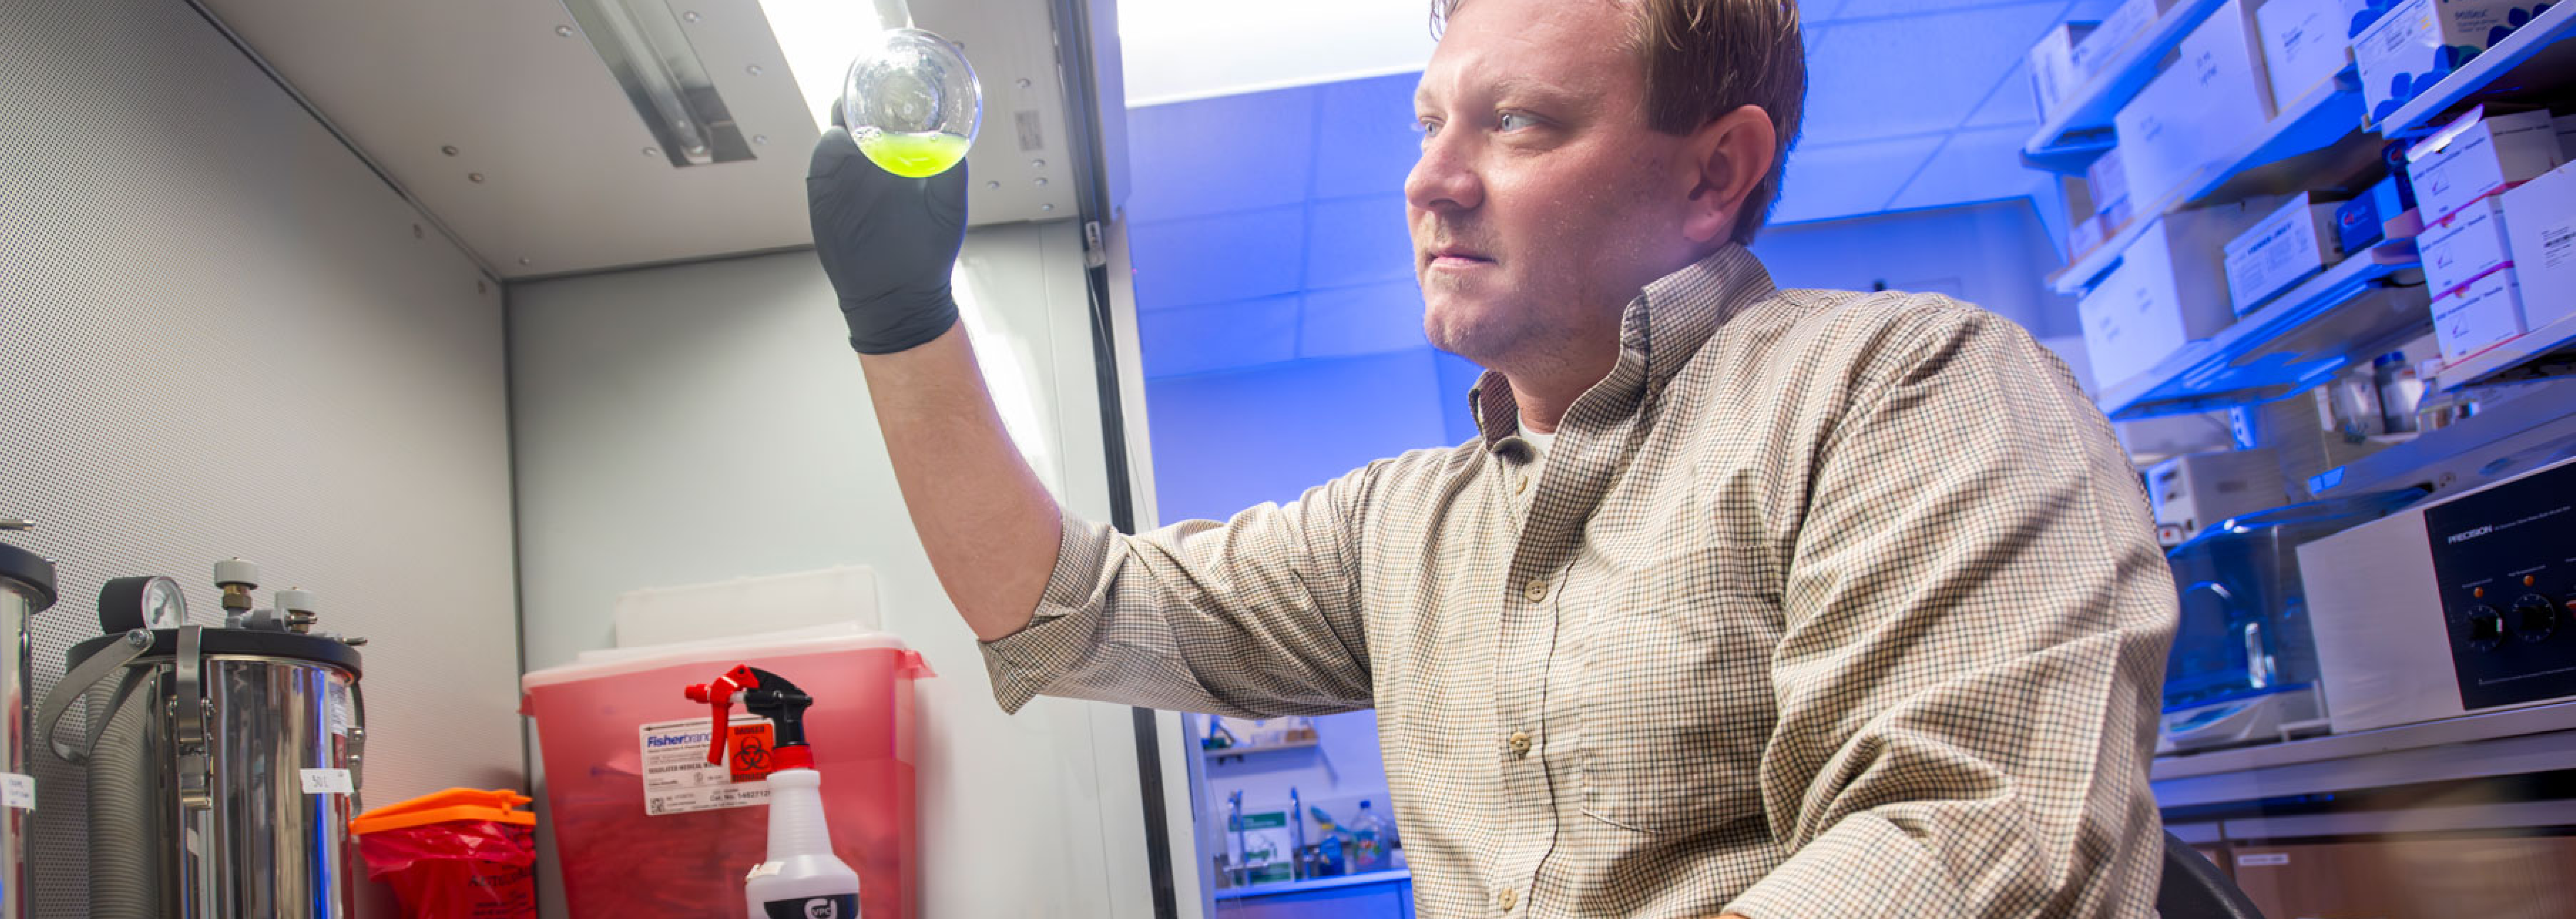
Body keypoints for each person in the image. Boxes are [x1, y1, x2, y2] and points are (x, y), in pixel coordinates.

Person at [804, 0, 2177, 913]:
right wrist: (901, 321)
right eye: (1429, 125)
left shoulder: (1907, 392)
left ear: (1716, 173)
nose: (1431, 179)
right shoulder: (1402, 530)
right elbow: (1065, 615)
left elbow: (1969, 847)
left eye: (1515, 123)